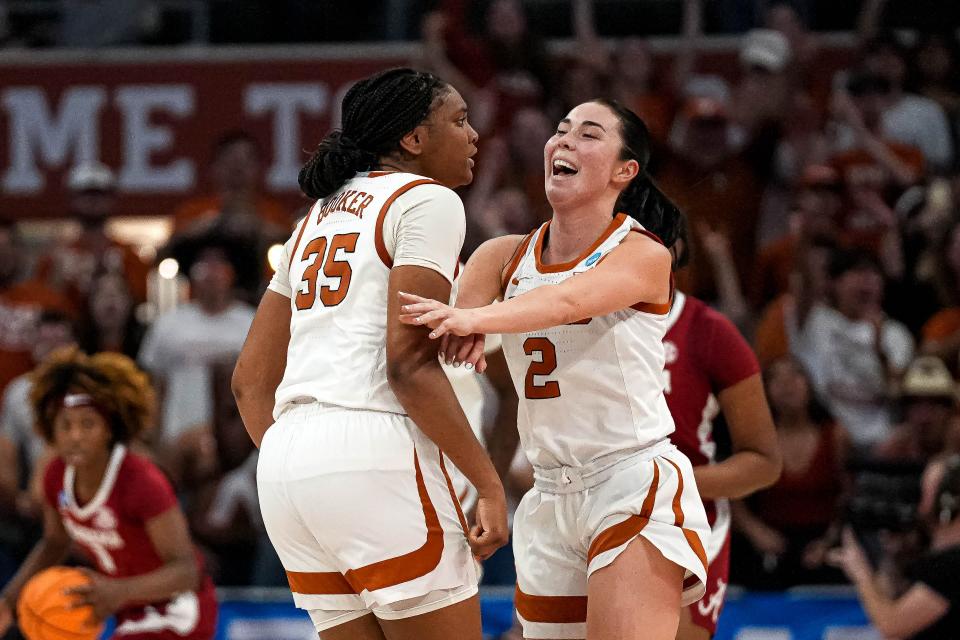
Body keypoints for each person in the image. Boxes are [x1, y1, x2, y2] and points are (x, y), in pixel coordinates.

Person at [400, 99, 711, 640]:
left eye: (588, 135)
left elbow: (569, 302)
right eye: (560, 131)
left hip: (628, 479)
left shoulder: (642, 253)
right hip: (546, 494)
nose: (564, 141)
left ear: (624, 170)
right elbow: (459, 328)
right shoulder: (501, 255)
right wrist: (465, 329)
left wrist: (476, 317)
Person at [231, 68, 508, 640]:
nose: (474, 134)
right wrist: (490, 483)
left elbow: (249, 382)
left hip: (285, 466)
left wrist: (313, 460)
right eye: (459, 121)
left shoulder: (315, 217)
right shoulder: (428, 200)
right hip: (374, 446)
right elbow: (406, 364)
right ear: (413, 139)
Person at [0, 347, 217, 638]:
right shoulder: (55, 476)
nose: (75, 436)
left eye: (88, 424)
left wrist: (118, 591)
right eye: (65, 425)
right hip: (126, 606)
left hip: (179, 608)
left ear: (109, 429)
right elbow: (54, 543)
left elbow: (187, 571)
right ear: (50, 430)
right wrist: (9, 601)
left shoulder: (141, 480)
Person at [660, 288, 781, 639]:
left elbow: (764, 462)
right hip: (592, 511)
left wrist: (664, 482)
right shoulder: (580, 318)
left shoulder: (706, 329)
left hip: (687, 520)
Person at [833, 454, 960, 638]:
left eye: (927, 490)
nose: (920, 500)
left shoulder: (952, 565)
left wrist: (860, 572)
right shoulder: (932, 553)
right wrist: (892, 559)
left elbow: (891, 626)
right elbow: (889, 598)